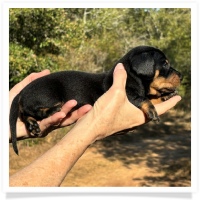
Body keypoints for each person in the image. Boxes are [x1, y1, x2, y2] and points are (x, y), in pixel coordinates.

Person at [9, 63, 181, 186]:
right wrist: (90, 130)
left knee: (50, 107)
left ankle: (31, 116)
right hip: (44, 94)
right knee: (45, 106)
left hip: (44, 95)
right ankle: (33, 115)